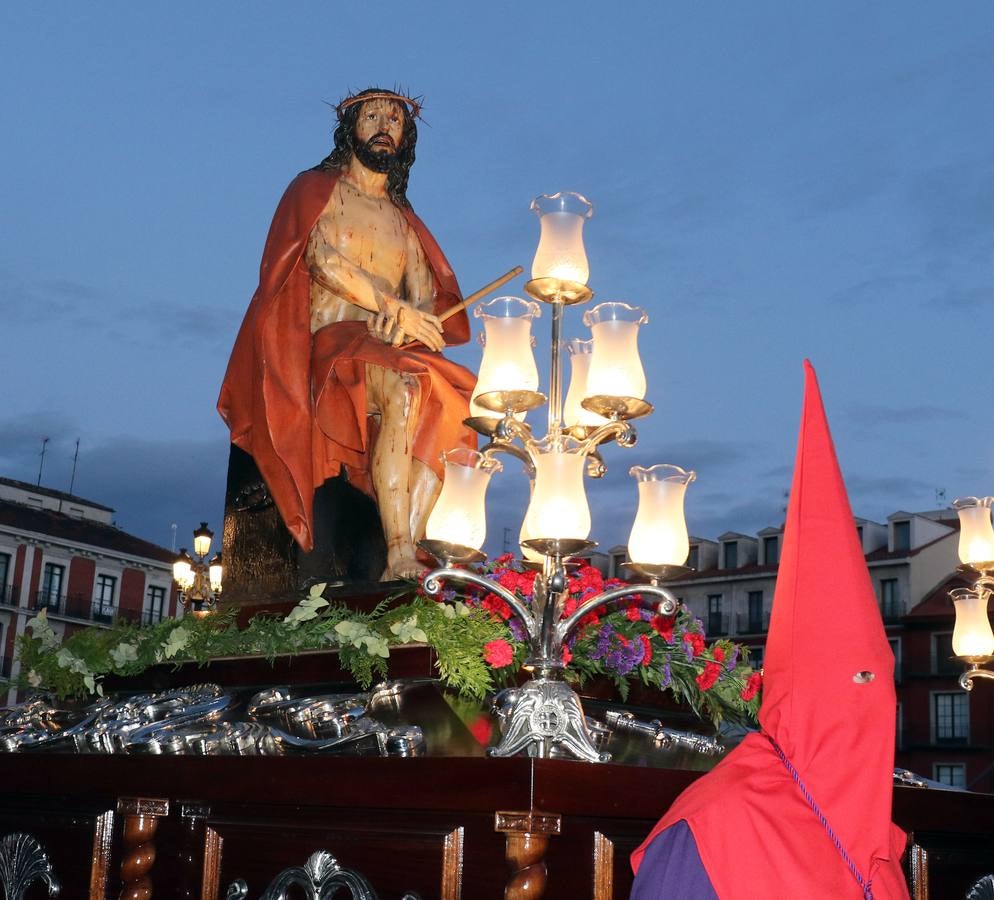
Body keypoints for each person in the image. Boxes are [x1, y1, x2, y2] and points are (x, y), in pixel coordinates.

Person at [631, 362, 910, 899]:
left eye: (878, 681)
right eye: (855, 679)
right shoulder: (711, 827)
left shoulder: (880, 849)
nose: (873, 704)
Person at [218, 88, 477, 582]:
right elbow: (319, 259)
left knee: (459, 404)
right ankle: (399, 549)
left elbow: (426, 304)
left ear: (406, 136)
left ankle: (416, 550)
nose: (384, 124)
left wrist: (408, 325)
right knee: (402, 389)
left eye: (395, 118)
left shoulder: (404, 222)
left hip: (382, 347)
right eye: (373, 115)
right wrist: (390, 307)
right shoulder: (318, 189)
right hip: (325, 342)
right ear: (351, 129)